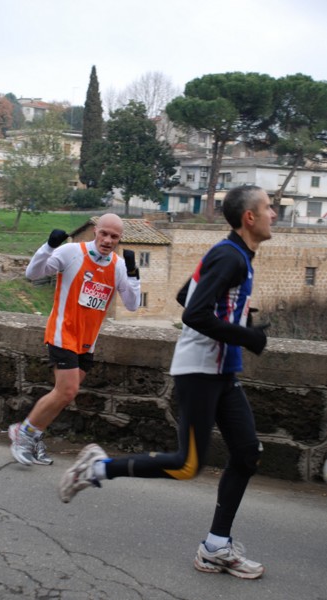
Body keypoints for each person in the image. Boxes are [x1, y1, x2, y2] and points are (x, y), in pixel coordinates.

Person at [59, 185, 277, 580]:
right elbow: (193, 312)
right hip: (199, 371)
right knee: (187, 464)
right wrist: (250, 336)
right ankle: (99, 468)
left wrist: (235, 320)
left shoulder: (231, 254)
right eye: (268, 208)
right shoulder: (230, 257)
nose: (274, 213)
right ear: (250, 217)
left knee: (247, 453)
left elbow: (182, 293)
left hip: (222, 370)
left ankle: (215, 547)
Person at [9, 213, 141, 466]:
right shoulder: (71, 252)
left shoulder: (118, 266)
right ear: (95, 231)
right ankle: (23, 433)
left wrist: (134, 273)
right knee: (67, 390)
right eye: (104, 233)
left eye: (114, 236)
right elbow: (33, 274)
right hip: (62, 332)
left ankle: (34, 434)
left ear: (119, 239)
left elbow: (133, 305)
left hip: (87, 340)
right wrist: (48, 247)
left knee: (65, 394)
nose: (107, 240)